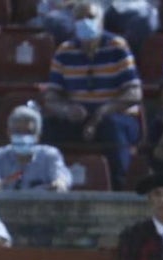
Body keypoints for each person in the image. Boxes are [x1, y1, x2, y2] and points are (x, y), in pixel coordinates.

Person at [42, 1, 143, 191]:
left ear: (101, 21)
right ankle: (52, 185)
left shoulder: (117, 47)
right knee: (48, 129)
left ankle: (118, 189)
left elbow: (134, 93)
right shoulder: (64, 51)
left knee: (112, 128)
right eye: (79, 18)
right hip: (78, 117)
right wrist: (66, 109)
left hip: (115, 116)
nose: (84, 22)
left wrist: (103, 112)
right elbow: (51, 96)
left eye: (90, 17)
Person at [0, 104, 72, 192]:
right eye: (17, 132)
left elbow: (62, 178)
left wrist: (60, 183)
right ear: (9, 133)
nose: (23, 137)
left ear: (38, 135)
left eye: (28, 132)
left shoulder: (50, 155)